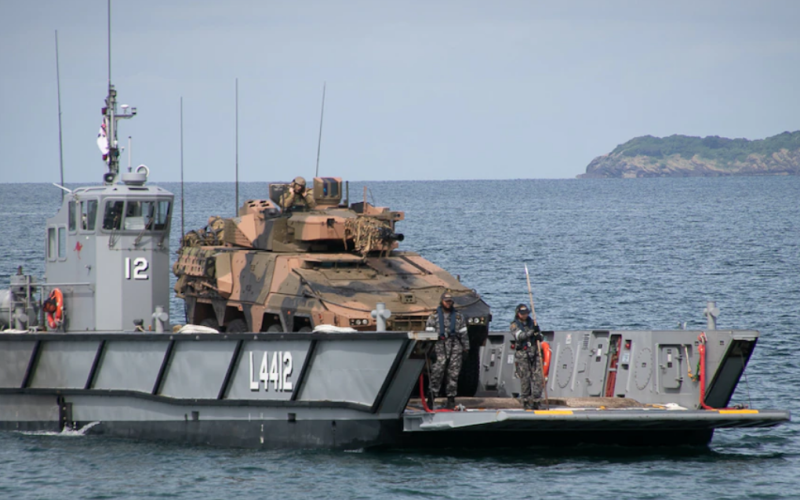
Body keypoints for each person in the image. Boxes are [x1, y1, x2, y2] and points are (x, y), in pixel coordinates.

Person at [425, 292, 468, 410]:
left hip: (455, 348)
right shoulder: (433, 317)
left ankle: (451, 399)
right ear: (442, 301)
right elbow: (429, 335)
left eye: (450, 301)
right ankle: (431, 398)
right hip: (439, 348)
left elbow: (464, 334)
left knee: (453, 375)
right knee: (436, 374)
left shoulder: (459, 317)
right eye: (446, 301)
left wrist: (466, 349)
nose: (448, 304)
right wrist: (430, 350)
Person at [510, 303, 545, 409]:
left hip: (535, 352)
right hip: (523, 354)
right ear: (518, 314)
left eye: (526, 313)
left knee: (538, 376)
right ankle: (526, 400)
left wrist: (538, 334)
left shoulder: (532, 323)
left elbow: (540, 335)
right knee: (525, 377)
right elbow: (520, 336)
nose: (525, 315)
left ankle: (536, 400)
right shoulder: (514, 325)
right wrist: (531, 332)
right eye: (522, 313)